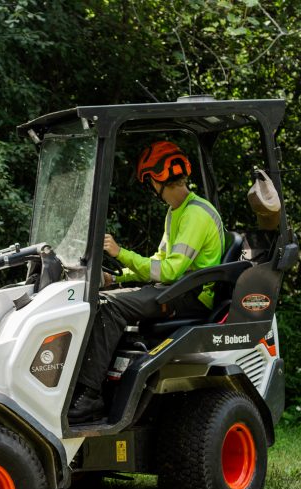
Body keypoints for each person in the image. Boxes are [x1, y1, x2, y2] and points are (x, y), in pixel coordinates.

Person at [68, 141, 226, 424]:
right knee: (101, 298)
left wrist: (120, 253)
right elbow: (157, 263)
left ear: (157, 179)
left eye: (150, 181)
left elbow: (168, 271)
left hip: (189, 296)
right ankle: (90, 387)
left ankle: (89, 396)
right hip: (174, 289)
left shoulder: (196, 214)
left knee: (110, 308)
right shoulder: (177, 212)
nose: (151, 187)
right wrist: (117, 277)